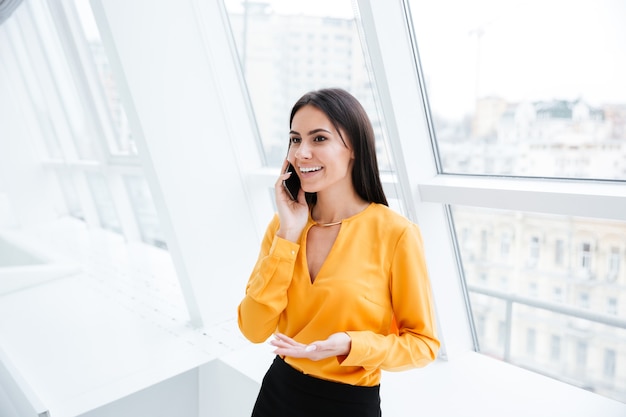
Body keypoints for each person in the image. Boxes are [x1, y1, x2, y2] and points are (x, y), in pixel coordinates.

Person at [238, 88, 440, 416]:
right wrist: (287, 237)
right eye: (294, 139)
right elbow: (253, 328)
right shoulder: (284, 226)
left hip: (348, 405)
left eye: (319, 139)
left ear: (355, 149)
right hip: (278, 394)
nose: (301, 153)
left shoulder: (396, 234)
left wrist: (352, 345)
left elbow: (423, 344)